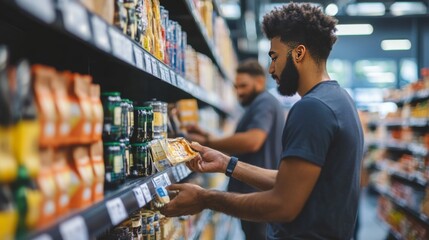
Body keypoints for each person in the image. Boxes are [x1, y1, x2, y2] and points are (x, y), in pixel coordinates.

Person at [161, 3, 364, 240]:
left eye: (274, 57)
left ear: (298, 53)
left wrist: (206, 198)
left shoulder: (312, 108)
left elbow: (282, 205)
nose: (270, 68)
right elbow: (287, 182)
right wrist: (227, 163)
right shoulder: (339, 100)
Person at [185, 59, 285, 240]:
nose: (239, 92)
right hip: (254, 191)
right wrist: (209, 137)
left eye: (244, 86)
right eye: (236, 87)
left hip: (257, 193)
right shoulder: (260, 105)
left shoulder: (264, 103)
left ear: (260, 82)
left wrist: (211, 143)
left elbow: (252, 141)